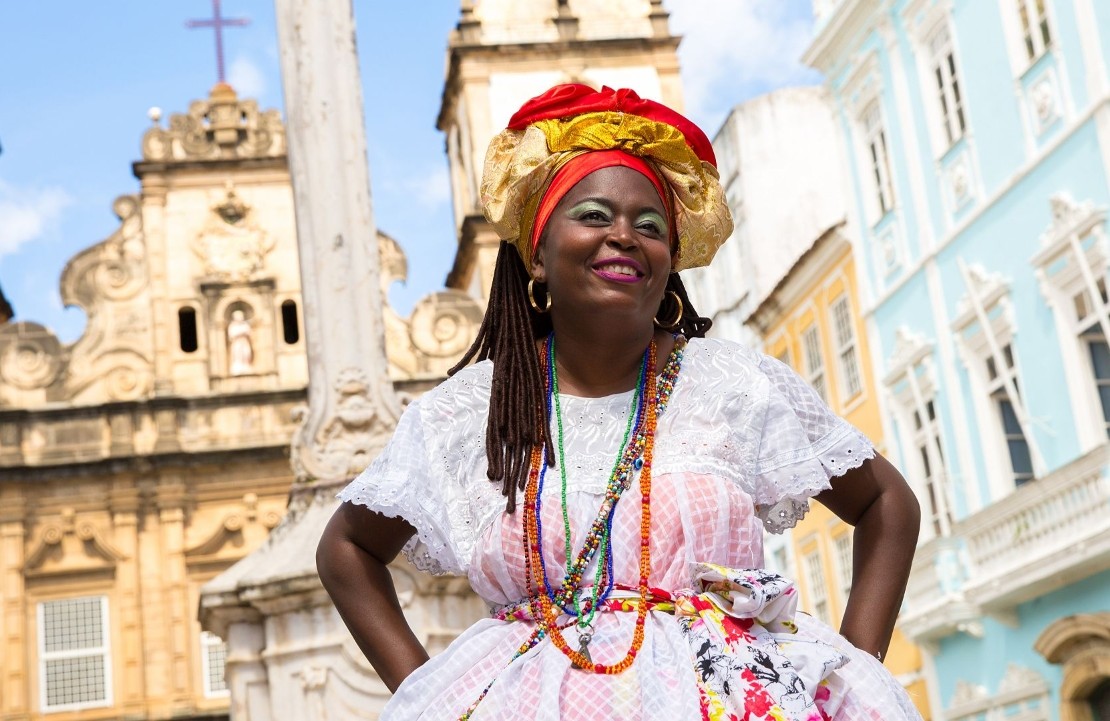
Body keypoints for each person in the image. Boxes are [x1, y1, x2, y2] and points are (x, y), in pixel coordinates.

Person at [317, 84, 923, 720]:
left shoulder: (735, 384)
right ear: (537, 255)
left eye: (650, 225)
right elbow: (347, 548)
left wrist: (852, 670)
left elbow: (886, 502)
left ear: (670, 261)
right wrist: (430, 694)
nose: (625, 235)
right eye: (594, 215)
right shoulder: (469, 411)